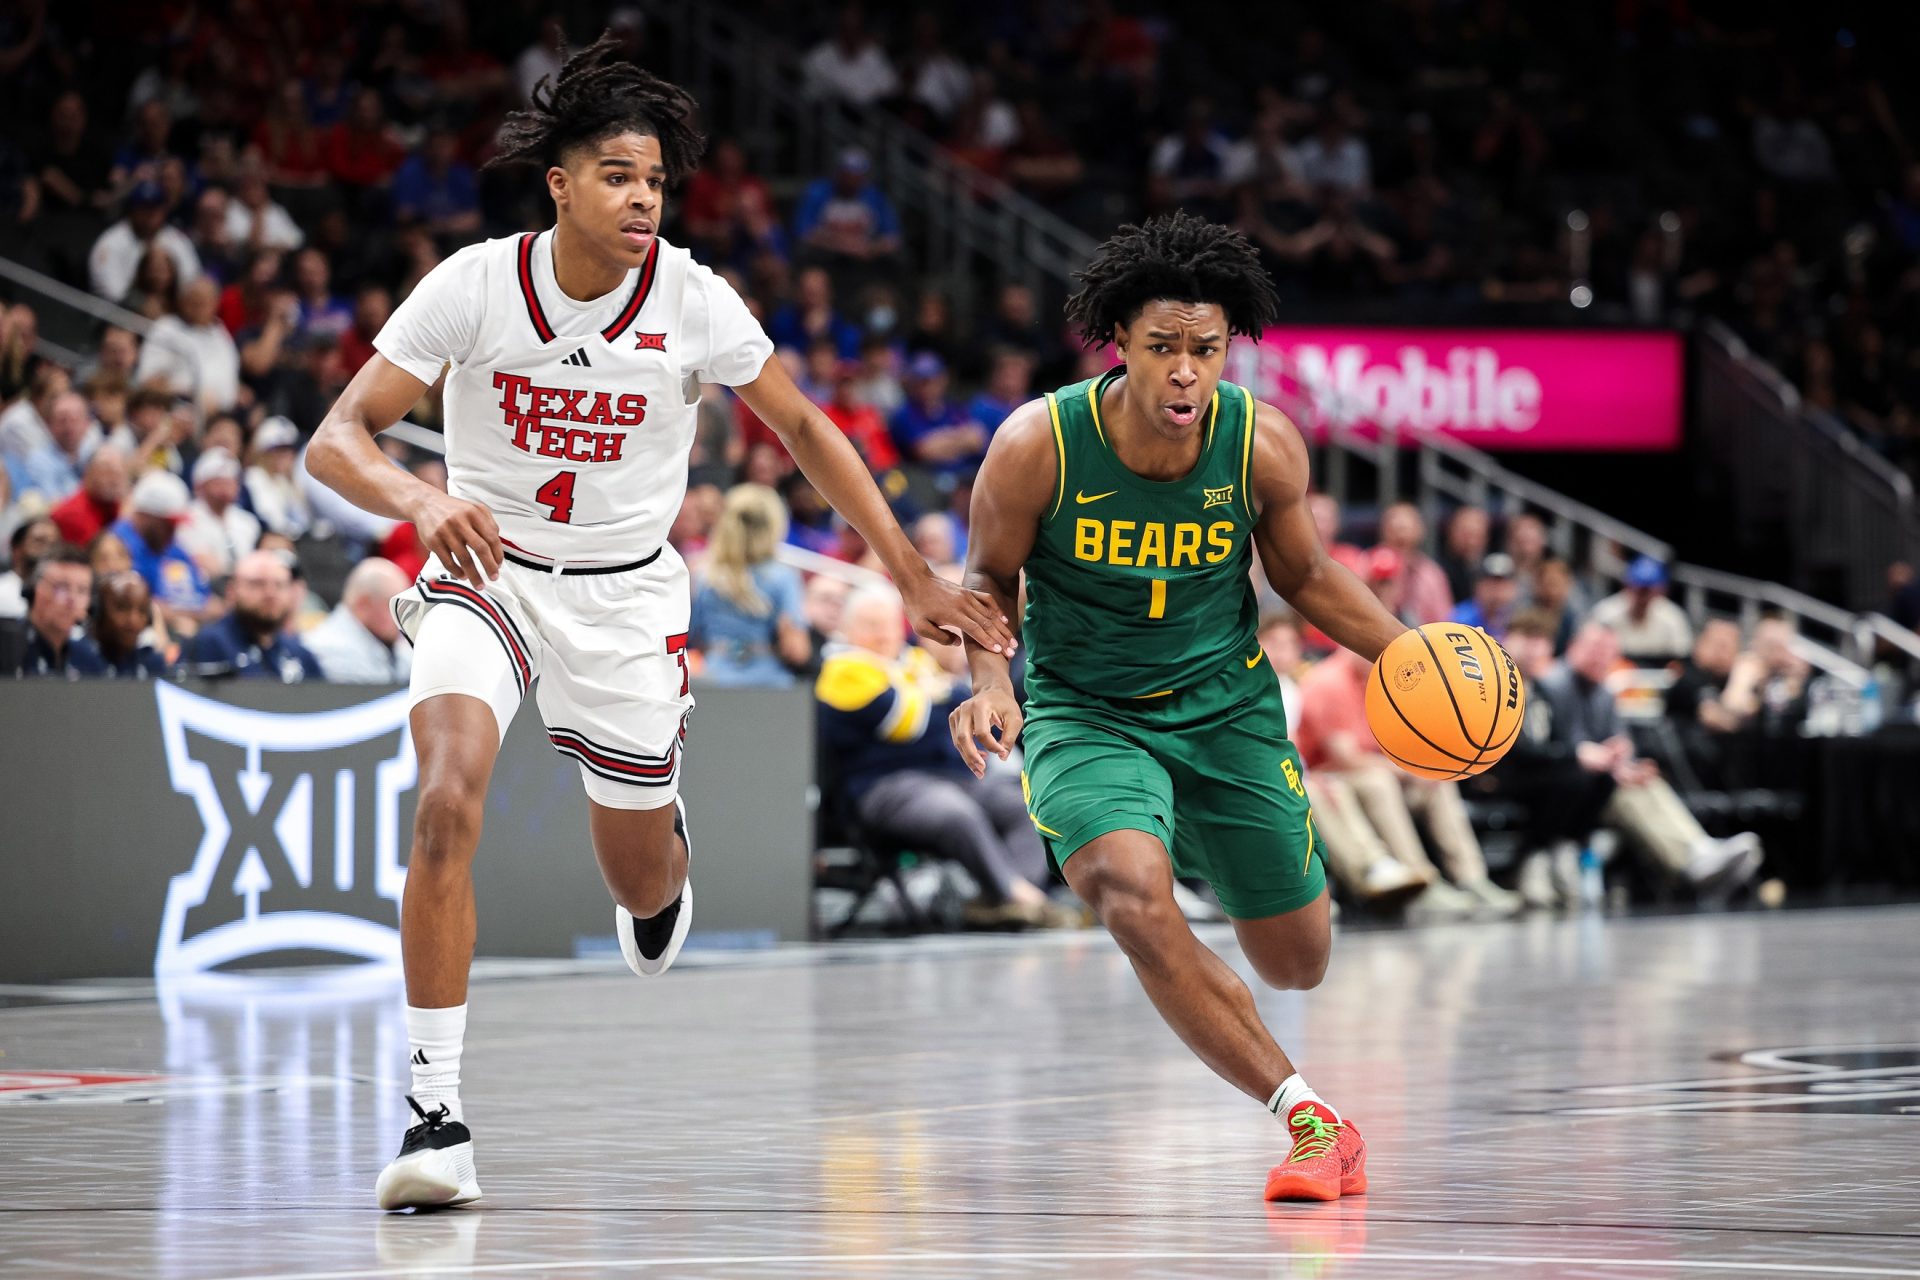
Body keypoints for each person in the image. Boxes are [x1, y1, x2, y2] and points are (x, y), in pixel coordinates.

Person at [302, 37, 1011, 1212]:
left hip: (627, 594)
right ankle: (437, 1114)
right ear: (561, 185)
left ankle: (660, 850)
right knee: (443, 800)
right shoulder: (475, 284)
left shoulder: (692, 296)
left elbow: (807, 430)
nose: (643, 198)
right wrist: (423, 496)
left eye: (657, 181)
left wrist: (912, 573)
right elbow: (336, 435)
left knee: (637, 882)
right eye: (621, 174)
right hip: (492, 574)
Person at [949, 213, 1407, 1202]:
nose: (1188, 372)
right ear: (1122, 343)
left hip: (1226, 710)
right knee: (1126, 888)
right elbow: (986, 575)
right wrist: (991, 683)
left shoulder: (1260, 442)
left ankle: (1196, 829)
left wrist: (1413, 655)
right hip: (1087, 711)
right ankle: (1310, 1120)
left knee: (1299, 959)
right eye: (1165, 348)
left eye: (1206, 349)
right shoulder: (1040, 444)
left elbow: (1310, 576)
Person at [819, 583, 1069, 928]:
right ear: (848, 629)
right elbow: (903, 721)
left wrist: (933, 700)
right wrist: (935, 700)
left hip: (952, 776)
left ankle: (1004, 899)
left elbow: (956, 703)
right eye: (870, 624)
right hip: (883, 786)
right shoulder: (840, 671)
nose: (883, 634)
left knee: (1026, 805)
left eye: (888, 623)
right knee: (955, 813)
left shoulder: (912, 661)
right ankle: (1020, 898)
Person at [1513, 621, 1761, 907]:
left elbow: (1618, 742)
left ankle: (1700, 850)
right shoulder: (1552, 684)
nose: (1599, 657)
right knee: (1624, 791)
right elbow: (1557, 750)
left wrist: (1625, 763)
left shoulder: (1604, 693)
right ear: (1572, 647)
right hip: (1565, 786)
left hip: (1598, 781)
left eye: (1607, 651)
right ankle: (1691, 861)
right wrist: (1605, 762)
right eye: (1594, 649)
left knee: (1646, 779)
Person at [1295, 644, 1520, 917]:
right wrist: (1404, 770)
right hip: (1335, 775)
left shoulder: (1384, 680)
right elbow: (1346, 757)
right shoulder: (1328, 682)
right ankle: (1421, 881)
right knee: (1380, 782)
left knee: (1438, 782)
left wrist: (1422, 768)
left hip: (1376, 771)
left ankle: (1472, 879)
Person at [688, 484, 810, 687]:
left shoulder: (703, 574)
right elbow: (797, 650)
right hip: (769, 686)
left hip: (713, 682)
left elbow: (693, 635)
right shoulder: (782, 577)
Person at [179, 548, 322, 680]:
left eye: (279, 585)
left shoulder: (299, 653)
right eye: (257, 584)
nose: (270, 593)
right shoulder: (208, 644)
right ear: (232, 591)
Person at [111, 470, 214, 632]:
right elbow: (134, 602)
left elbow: (209, 602)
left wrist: (182, 614)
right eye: (166, 524)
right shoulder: (118, 545)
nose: (173, 530)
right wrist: (176, 617)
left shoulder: (172, 546)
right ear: (145, 516)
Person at [304, 556, 413, 683]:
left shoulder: (388, 641)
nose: (403, 619)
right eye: (396, 608)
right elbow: (378, 696)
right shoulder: (332, 648)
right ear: (364, 604)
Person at [2, 547, 105, 677]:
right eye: (62, 587)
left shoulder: (88, 657)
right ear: (33, 590)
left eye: (82, 590)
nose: (72, 600)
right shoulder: (6, 648)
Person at [177, 448, 262, 578]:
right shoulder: (187, 518)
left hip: (244, 584)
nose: (225, 489)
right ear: (200, 486)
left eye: (230, 482)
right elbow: (202, 561)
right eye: (218, 483)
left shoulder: (248, 521)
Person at [1589, 556, 1693, 661]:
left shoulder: (1672, 617)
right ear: (1627, 586)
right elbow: (1589, 654)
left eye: (1648, 591)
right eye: (1638, 589)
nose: (1642, 597)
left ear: (1661, 591)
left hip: (1659, 673)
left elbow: (1682, 657)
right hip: (1614, 671)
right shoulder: (1606, 613)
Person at [89, 569, 168, 678]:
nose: (133, 620)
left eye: (142, 610)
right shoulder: (76, 658)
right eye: (122, 608)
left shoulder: (151, 662)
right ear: (98, 612)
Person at [50, 444, 129, 548]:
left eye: (119, 473)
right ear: (88, 473)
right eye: (107, 472)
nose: (114, 480)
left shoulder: (114, 503)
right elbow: (103, 555)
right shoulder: (72, 513)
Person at [1451, 552, 1520, 641]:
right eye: (1490, 583)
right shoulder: (1461, 618)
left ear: (1513, 588)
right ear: (1478, 586)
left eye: (1502, 583)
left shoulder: (1521, 618)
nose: (1496, 590)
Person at [0, 517, 59, 620]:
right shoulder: (2, 590)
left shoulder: (62, 598)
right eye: (39, 541)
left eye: (53, 544)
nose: (48, 549)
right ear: (16, 548)